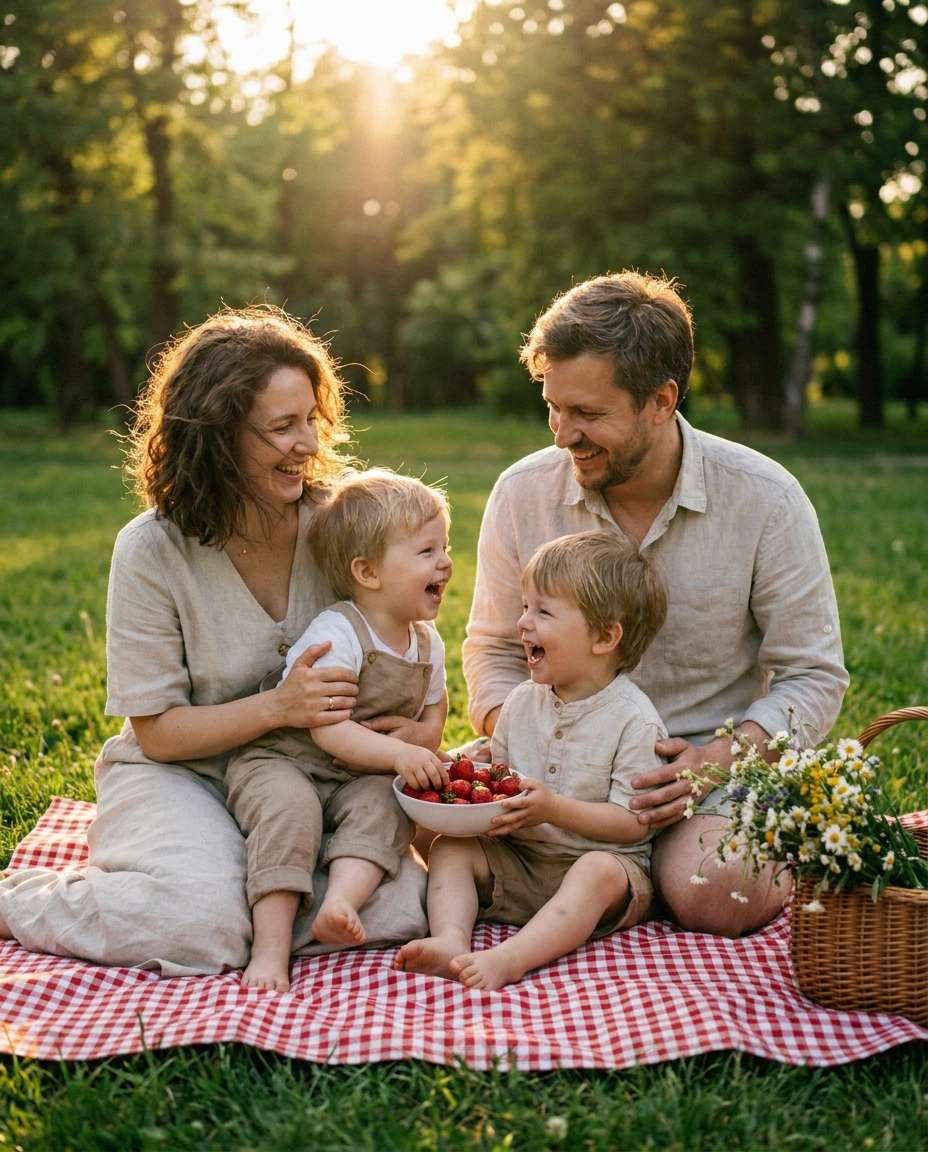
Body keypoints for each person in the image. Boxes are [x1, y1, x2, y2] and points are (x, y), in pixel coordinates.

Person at [0, 307, 428, 974]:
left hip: (316, 776)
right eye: (282, 428)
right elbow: (160, 734)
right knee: (201, 927)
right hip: (185, 775)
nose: (309, 444)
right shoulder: (150, 550)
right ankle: (23, 904)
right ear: (218, 437)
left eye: (311, 419)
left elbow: (406, 633)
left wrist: (397, 729)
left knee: (408, 904)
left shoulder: (340, 527)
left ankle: (244, 901)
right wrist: (279, 709)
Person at [462, 271, 849, 937]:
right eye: (553, 407)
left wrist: (715, 763)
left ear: (661, 400)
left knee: (721, 891)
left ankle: (635, 881)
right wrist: (511, 734)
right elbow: (491, 651)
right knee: (417, 833)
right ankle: (616, 887)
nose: (562, 434)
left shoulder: (764, 499)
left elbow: (812, 675)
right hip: (549, 768)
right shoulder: (522, 493)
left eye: (588, 414)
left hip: (698, 782)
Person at [396, 531, 667, 989]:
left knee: (597, 873)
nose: (523, 623)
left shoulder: (634, 721)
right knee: (451, 847)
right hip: (521, 860)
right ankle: (450, 939)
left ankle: (512, 958)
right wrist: (453, 773)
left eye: (542, 611)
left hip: (596, 871)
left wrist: (555, 809)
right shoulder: (522, 701)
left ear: (604, 637)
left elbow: (634, 823)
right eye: (525, 606)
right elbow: (498, 780)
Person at [226, 469, 453, 991]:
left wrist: (424, 737)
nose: (444, 561)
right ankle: (270, 949)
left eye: (445, 546)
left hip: (357, 774)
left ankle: (340, 903)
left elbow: (435, 712)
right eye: (426, 551)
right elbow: (326, 730)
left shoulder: (427, 642)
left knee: (386, 805)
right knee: (292, 810)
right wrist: (397, 755)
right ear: (368, 573)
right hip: (285, 761)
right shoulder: (338, 632)